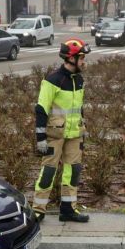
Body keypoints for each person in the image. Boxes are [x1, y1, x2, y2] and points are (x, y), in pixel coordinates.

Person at [34, 38, 91, 223]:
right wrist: (40, 137)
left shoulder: (79, 80)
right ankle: (38, 210)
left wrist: (83, 127)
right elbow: (41, 109)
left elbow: (78, 107)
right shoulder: (53, 80)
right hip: (54, 135)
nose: (84, 61)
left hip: (74, 135)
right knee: (48, 171)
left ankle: (68, 210)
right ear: (71, 58)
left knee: (73, 171)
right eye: (81, 58)